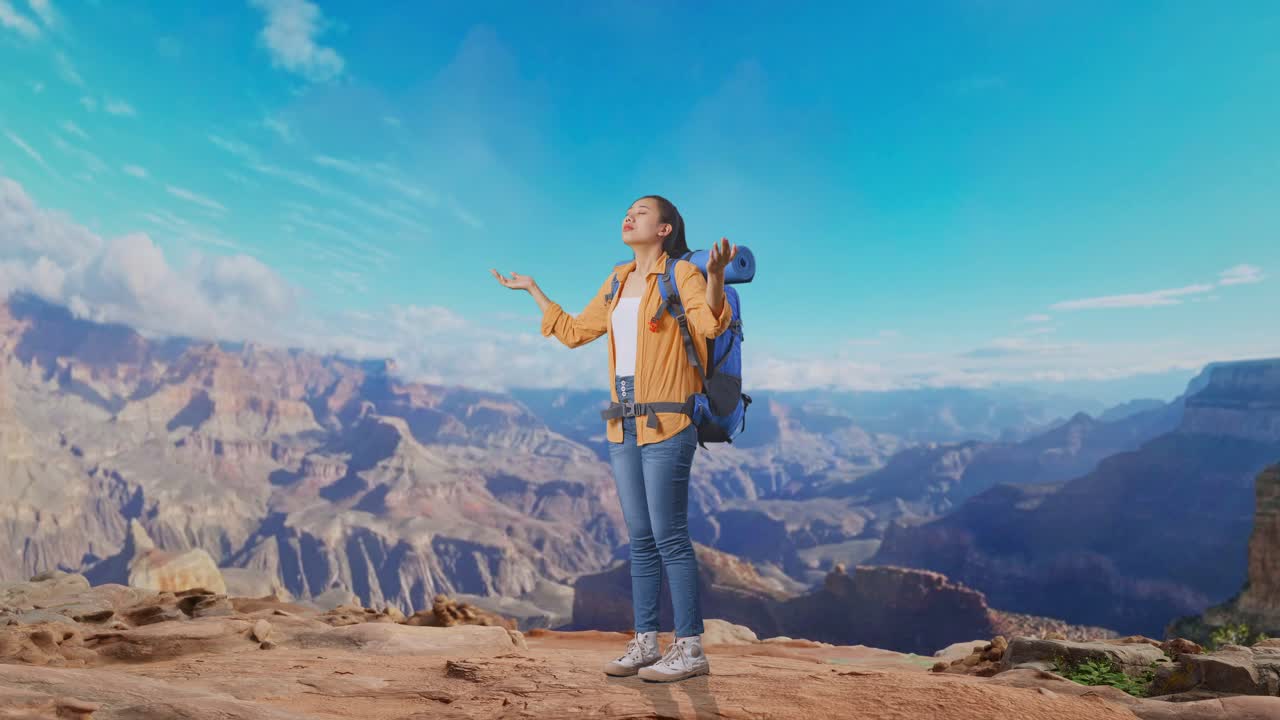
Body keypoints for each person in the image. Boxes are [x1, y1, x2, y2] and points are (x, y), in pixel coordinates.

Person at [491, 195, 736, 682]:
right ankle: (646, 641)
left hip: (669, 422)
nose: (629, 215)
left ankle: (689, 648)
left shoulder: (682, 275)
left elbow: (710, 324)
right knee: (640, 538)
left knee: (670, 536)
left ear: (665, 229)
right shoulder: (619, 279)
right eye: (627, 210)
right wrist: (534, 290)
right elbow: (577, 331)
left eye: (642, 212)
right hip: (623, 423)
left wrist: (715, 275)